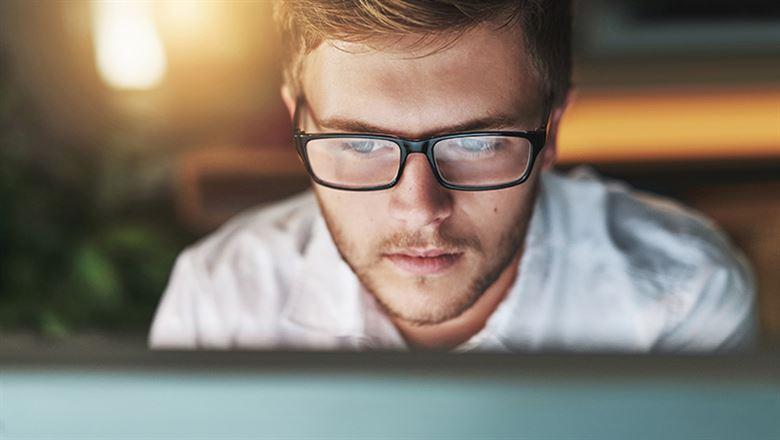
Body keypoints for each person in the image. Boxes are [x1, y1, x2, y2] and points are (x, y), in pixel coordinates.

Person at [149, 0, 756, 352]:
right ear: (296, 120)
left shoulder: (678, 300)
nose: (420, 208)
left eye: (477, 141)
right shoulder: (219, 304)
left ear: (553, 130)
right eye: (360, 142)